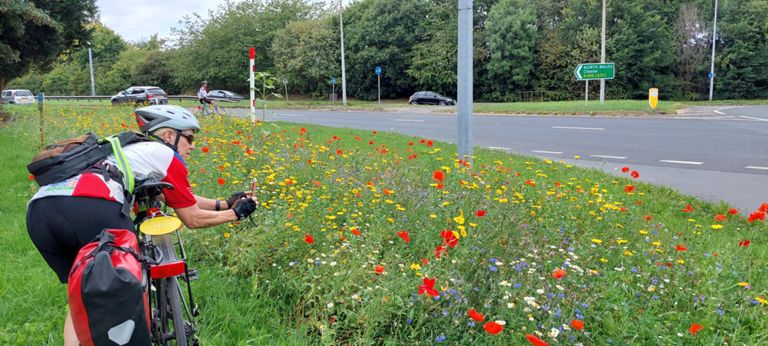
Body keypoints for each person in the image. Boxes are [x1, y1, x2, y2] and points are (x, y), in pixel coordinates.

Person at [26, 104, 258, 346]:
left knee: (81, 293)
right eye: (189, 137)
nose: (192, 145)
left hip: (39, 213)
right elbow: (192, 218)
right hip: (92, 208)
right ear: (169, 135)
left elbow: (169, 197)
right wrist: (236, 214)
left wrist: (223, 204)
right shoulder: (166, 155)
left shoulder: (126, 150)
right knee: (128, 289)